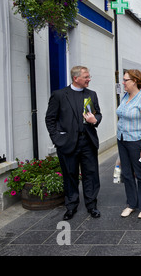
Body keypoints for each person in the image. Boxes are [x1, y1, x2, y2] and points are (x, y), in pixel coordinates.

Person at [45, 66, 102, 221]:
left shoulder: (91, 94)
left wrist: (95, 120)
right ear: (76, 78)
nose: (89, 79)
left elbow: (98, 113)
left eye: (89, 76)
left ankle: (92, 205)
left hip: (88, 142)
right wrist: (57, 139)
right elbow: (50, 119)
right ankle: (71, 206)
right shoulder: (59, 95)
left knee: (91, 175)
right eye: (86, 77)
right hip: (67, 144)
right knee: (70, 175)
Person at [117, 70, 141, 219]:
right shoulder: (125, 96)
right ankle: (131, 204)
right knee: (127, 173)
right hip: (122, 139)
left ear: (135, 81)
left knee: (140, 173)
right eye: (123, 79)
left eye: (125, 80)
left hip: (136, 142)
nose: (123, 82)